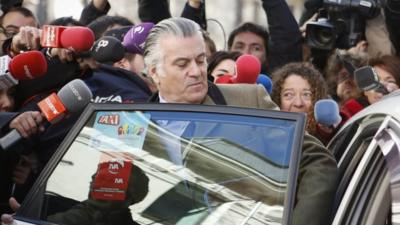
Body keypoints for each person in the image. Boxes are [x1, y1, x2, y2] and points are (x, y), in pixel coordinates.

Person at [144, 17, 337, 225]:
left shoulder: (247, 101)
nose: (196, 71)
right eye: (182, 64)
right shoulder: (129, 125)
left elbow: (318, 163)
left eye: (200, 60)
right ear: (155, 72)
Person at [227, 0, 303, 74]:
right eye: (239, 47)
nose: (246, 54)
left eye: (256, 48)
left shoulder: (274, 83)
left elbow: (287, 37)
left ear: (266, 57)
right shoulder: (217, 76)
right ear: (229, 51)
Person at [271, 62, 332, 144]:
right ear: (278, 100)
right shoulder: (266, 141)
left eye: (306, 94)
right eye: (289, 94)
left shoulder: (331, 139)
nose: (298, 103)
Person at [340, 55, 400, 123]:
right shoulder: (350, 113)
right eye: (375, 80)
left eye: (390, 81)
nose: (381, 85)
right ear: (365, 90)